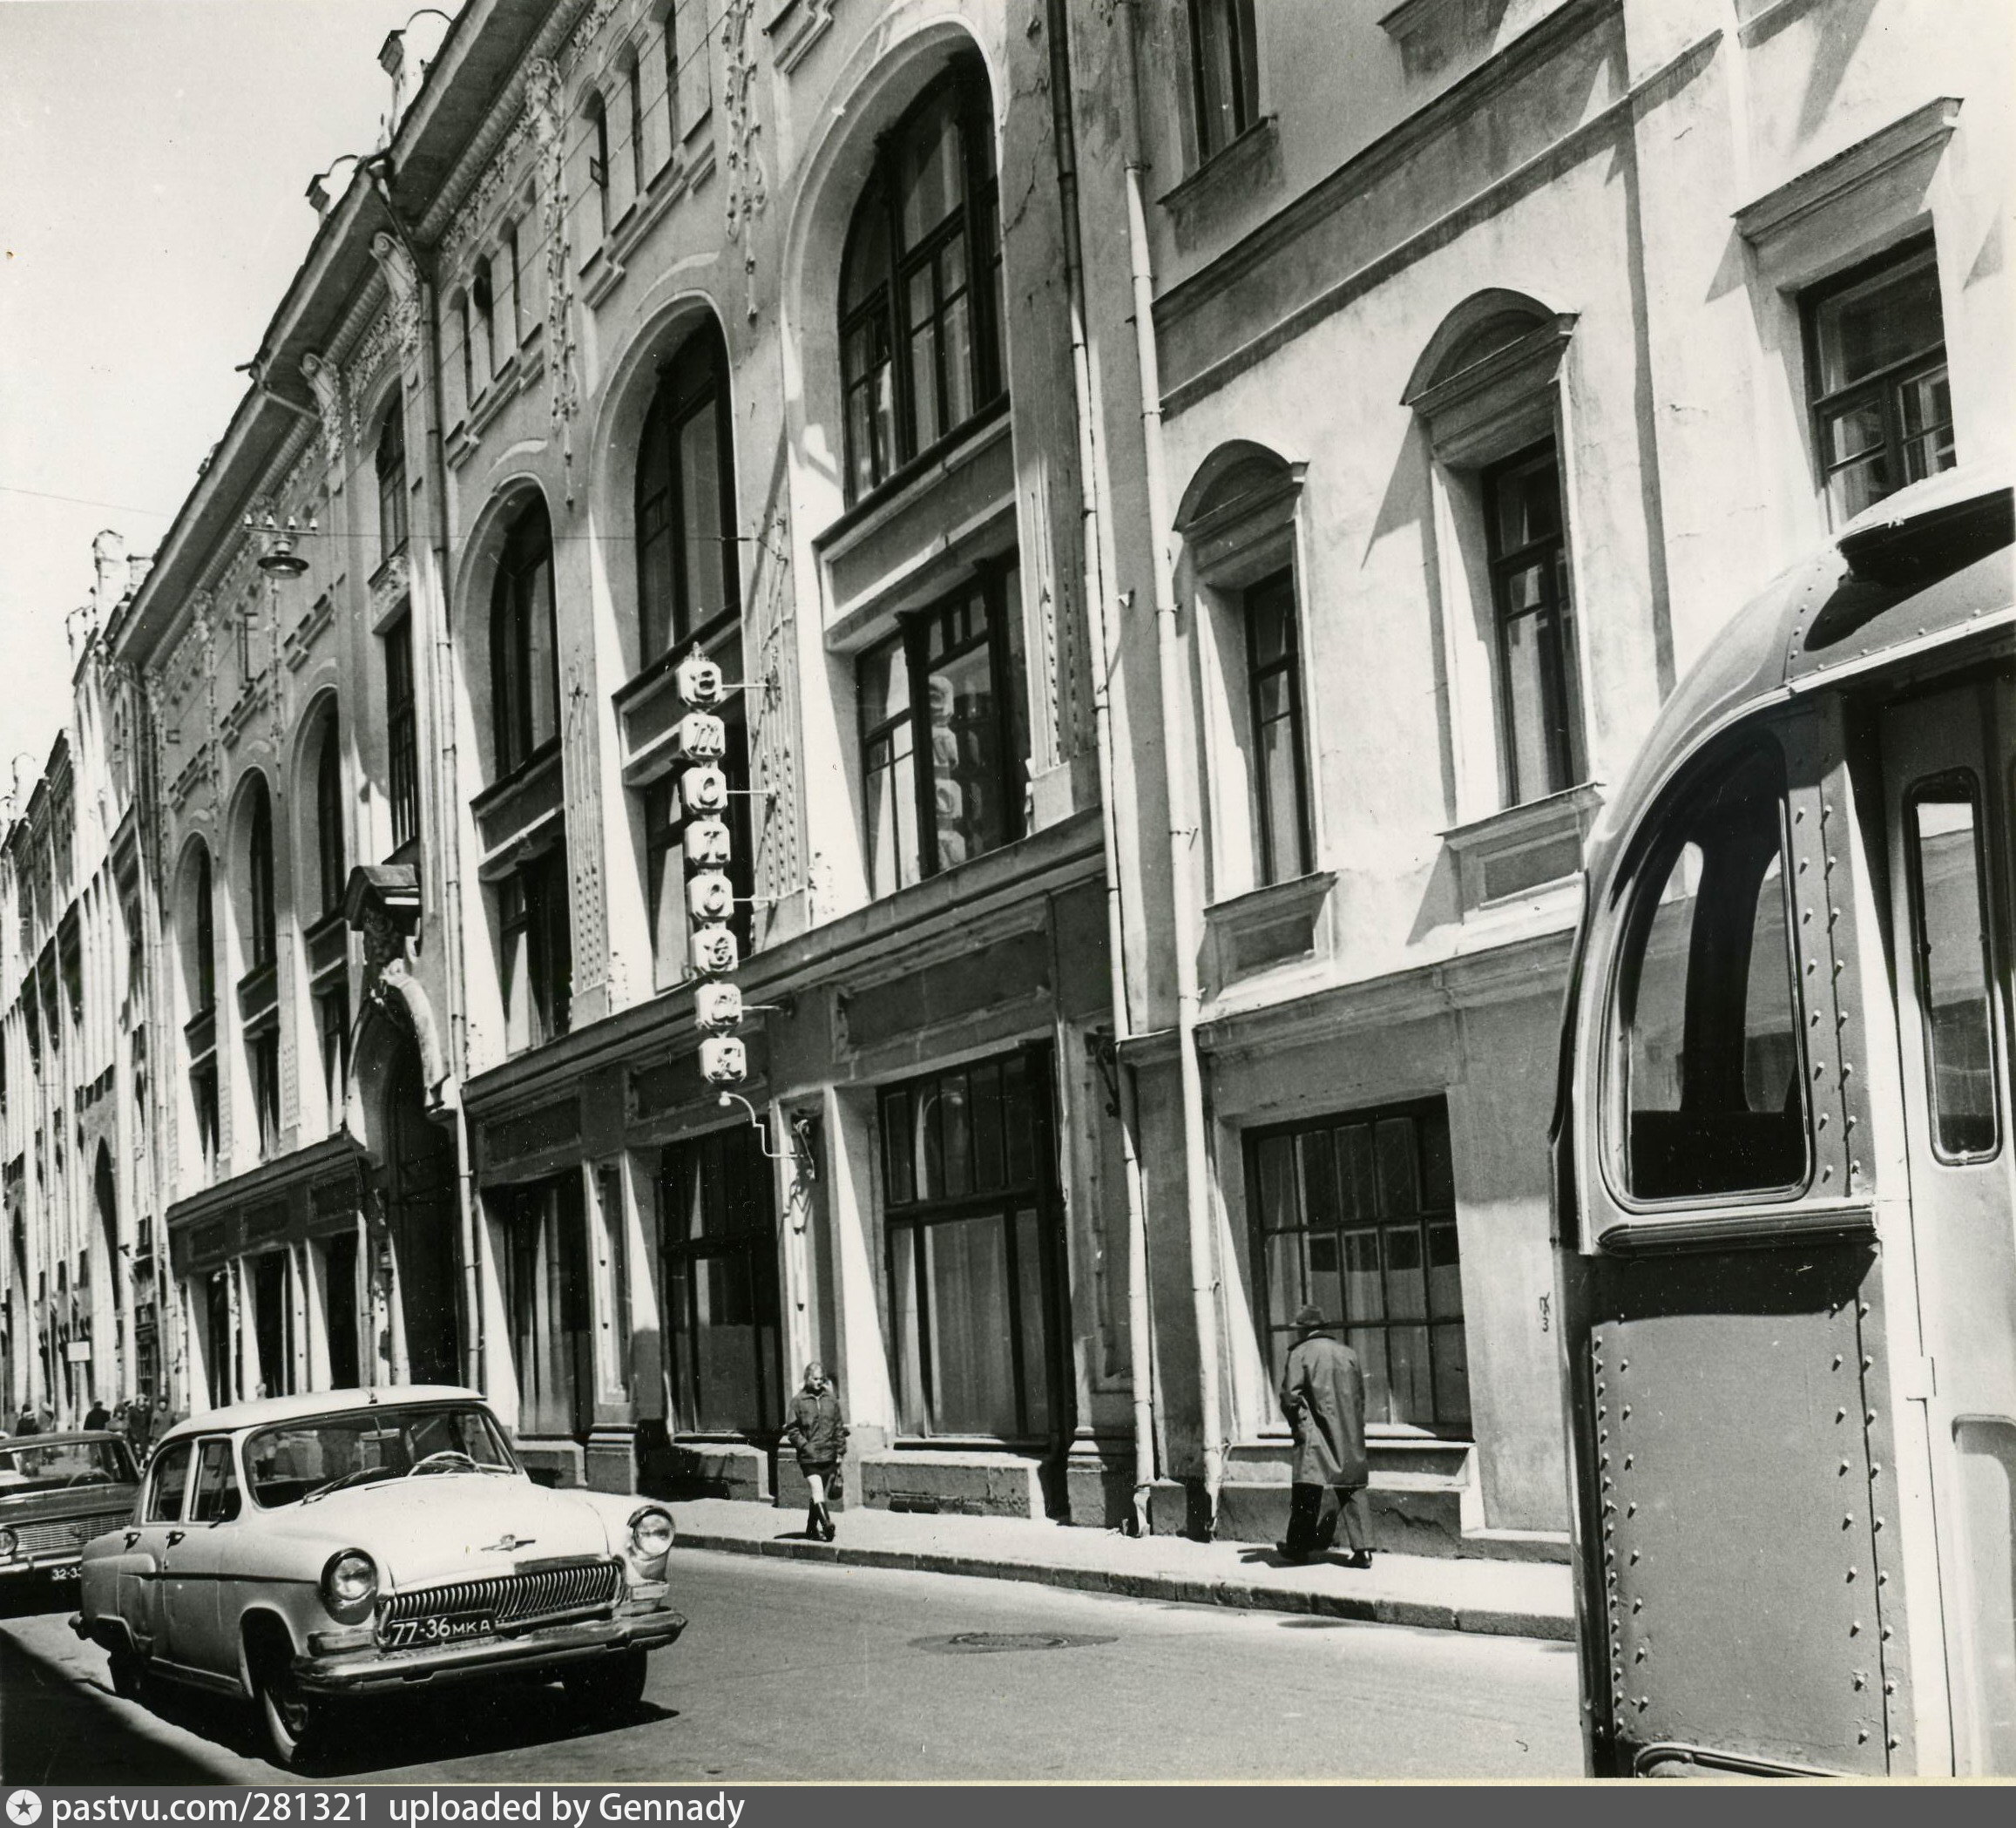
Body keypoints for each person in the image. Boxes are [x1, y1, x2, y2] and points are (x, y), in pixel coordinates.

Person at [1276, 1304, 1373, 1569]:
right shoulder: (1349, 1354)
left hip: (1315, 1432)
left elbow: (1290, 1397)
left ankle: (1298, 1548)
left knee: (1307, 1486)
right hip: (1348, 1432)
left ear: (1304, 1331)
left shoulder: (1301, 1354)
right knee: (1352, 1486)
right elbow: (1360, 1397)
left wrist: (1299, 1426)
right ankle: (1363, 1551)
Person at [784, 1362, 847, 1543]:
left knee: (818, 1495)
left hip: (828, 1455)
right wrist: (805, 1446)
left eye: (821, 1379)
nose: (819, 1382)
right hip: (809, 1457)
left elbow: (838, 1427)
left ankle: (811, 1529)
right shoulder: (798, 1401)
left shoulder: (831, 1400)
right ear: (807, 1378)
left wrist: (840, 1451)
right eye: (815, 1378)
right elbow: (792, 1430)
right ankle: (827, 1525)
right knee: (817, 1489)